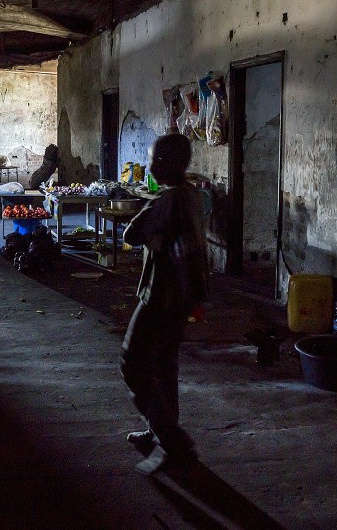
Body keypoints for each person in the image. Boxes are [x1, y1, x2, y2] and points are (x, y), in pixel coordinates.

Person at [120, 133, 209, 475]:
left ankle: (170, 438)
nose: (152, 166)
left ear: (175, 164)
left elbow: (130, 233)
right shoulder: (193, 196)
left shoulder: (168, 200)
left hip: (161, 296)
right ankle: (159, 427)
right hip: (183, 298)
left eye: (158, 160)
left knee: (132, 363)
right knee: (164, 366)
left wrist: (151, 235)